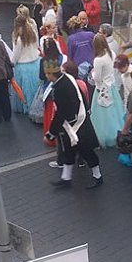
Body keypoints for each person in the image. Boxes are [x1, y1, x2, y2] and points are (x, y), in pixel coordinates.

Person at [44, 59, 103, 190]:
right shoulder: (68, 79)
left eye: (47, 74)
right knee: (69, 152)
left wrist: (50, 134)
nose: (46, 76)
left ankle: (98, 176)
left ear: (50, 74)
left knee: (86, 151)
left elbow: (61, 114)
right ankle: (66, 178)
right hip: (78, 122)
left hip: (75, 125)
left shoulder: (60, 89)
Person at [90, 33, 125, 148]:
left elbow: (98, 78)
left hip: (102, 89)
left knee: (102, 116)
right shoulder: (111, 54)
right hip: (112, 86)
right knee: (115, 112)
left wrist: (93, 73)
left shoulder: (98, 60)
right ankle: (118, 132)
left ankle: (105, 136)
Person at [11, 15, 41, 114]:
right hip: (35, 62)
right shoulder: (33, 33)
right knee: (36, 88)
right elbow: (37, 46)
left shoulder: (18, 39)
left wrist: (12, 63)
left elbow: (16, 54)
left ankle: (28, 108)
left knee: (25, 91)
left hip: (23, 66)